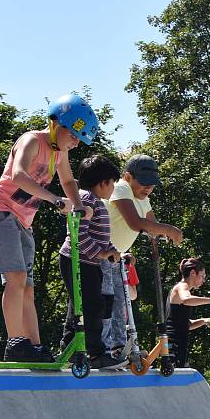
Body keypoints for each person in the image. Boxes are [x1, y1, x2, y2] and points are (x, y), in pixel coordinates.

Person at [0, 93, 94, 362]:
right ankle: (15, 342)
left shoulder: (59, 153)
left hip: (22, 221)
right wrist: (54, 200)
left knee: (28, 287)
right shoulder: (32, 140)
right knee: (16, 279)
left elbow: (68, 182)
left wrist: (77, 205)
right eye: (74, 136)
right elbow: (19, 176)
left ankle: (34, 345)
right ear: (57, 124)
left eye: (79, 140)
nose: (75, 144)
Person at [102, 155, 183, 358]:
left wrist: (159, 235)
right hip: (99, 255)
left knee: (120, 302)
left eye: (152, 185)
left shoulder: (143, 199)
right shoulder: (121, 188)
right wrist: (169, 229)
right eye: (144, 184)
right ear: (128, 177)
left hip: (117, 258)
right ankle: (99, 348)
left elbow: (151, 226)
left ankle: (117, 347)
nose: (148, 189)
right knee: (105, 301)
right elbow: (135, 223)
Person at [58, 155, 127, 369]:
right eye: (112, 184)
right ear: (103, 183)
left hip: (87, 262)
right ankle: (96, 353)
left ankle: (68, 348)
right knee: (93, 305)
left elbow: (95, 236)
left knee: (78, 304)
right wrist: (101, 253)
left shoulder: (92, 200)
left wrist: (110, 250)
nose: (112, 189)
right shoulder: (86, 199)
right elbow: (79, 236)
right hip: (78, 260)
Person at [165, 257, 210, 367]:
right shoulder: (182, 286)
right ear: (193, 273)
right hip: (173, 343)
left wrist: (203, 321)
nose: (203, 280)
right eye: (202, 276)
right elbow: (186, 300)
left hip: (178, 343)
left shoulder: (183, 289)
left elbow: (185, 324)